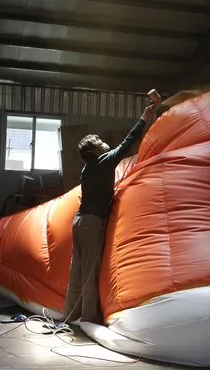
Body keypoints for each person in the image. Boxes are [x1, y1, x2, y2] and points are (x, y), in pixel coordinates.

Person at [63, 103, 157, 325]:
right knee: (89, 273)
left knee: (75, 271)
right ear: (95, 150)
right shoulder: (104, 162)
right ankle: (87, 319)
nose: (104, 142)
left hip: (78, 221)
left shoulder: (88, 168)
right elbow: (127, 144)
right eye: (100, 142)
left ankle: (69, 315)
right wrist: (145, 117)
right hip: (91, 223)